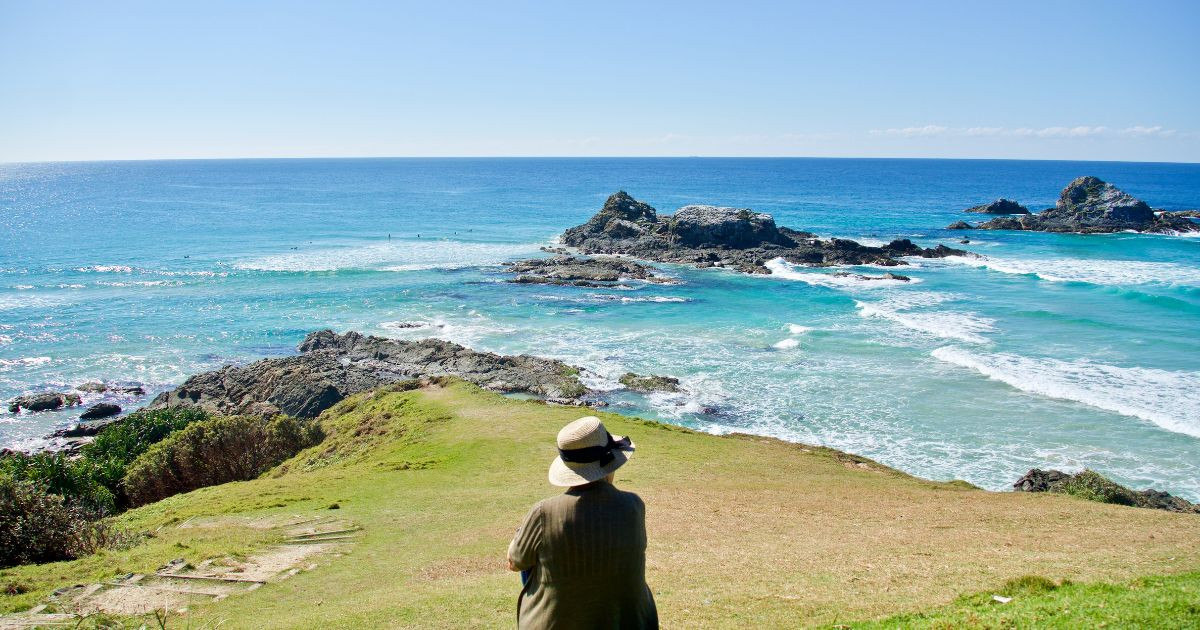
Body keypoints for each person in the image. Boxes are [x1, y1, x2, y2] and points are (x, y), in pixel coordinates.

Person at [507, 416, 658, 629]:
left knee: (529, 557)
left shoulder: (543, 513)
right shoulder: (634, 505)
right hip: (630, 623)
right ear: (610, 465)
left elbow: (515, 562)